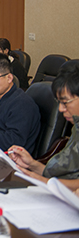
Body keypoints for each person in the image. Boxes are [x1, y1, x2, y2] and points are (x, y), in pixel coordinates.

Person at [8, 61, 79, 192]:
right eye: (59, 102)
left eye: (65, 102)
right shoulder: (76, 127)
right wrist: (32, 164)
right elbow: (63, 175)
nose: (61, 109)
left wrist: (46, 182)